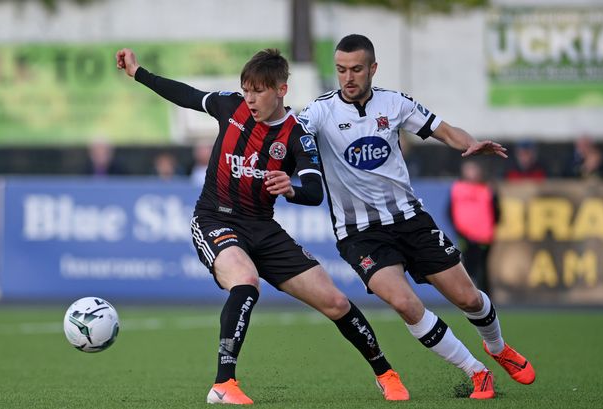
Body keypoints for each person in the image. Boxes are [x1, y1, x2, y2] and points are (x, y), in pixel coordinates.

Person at [116, 47, 409, 404]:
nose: (250, 99)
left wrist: (291, 189)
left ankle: (386, 374)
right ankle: (224, 384)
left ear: (281, 90)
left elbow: (314, 192)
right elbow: (186, 95)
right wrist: (138, 73)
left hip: (263, 228)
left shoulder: (297, 135)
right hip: (215, 218)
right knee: (246, 282)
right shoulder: (230, 107)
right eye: (246, 90)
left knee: (335, 302)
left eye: (258, 91)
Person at [298, 34, 536, 400]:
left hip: (410, 220)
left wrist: (469, 143)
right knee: (406, 304)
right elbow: (287, 134)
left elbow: (444, 129)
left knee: (469, 299)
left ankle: (498, 347)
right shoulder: (320, 111)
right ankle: (476, 371)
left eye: (357, 69)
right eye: (341, 69)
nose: (348, 77)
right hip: (359, 234)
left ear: (372, 69)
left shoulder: (394, 103)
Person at [450, 160, 499, 296]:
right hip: (465, 235)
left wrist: (488, 228)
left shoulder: (488, 189)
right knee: (467, 268)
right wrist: (459, 230)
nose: (471, 173)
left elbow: (497, 212)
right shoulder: (458, 189)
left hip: (483, 236)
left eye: (473, 169)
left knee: (482, 268)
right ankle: (469, 297)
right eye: (468, 169)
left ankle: (486, 300)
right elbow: (450, 212)